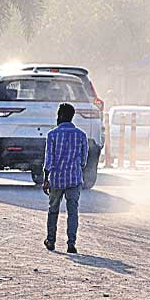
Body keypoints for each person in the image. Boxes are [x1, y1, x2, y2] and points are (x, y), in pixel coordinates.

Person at [43, 103, 89, 254]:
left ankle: (51, 241)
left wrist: (46, 178)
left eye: (58, 114)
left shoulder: (52, 135)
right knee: (73, 212)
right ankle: (71, 243)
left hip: (56, 179)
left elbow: (49, 160)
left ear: (62, 116)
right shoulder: (81, 135)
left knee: (53, 210)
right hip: (74, 179)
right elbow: (83, 161)